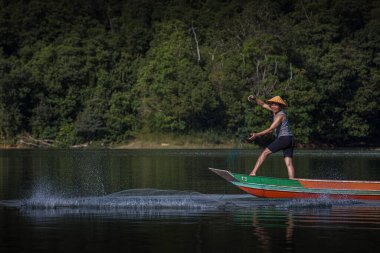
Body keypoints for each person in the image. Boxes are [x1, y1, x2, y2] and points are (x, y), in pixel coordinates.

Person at [247, 95, 295, 179]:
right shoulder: (274, 110)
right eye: (272, 104)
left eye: (276, 105)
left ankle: (253, 172)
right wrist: (255, 98)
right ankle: (292, 181)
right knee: (288, 163)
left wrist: (256, 135)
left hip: (284, 138)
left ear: (280, 106)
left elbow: (270, 129)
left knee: (265, 152)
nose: (273, 106)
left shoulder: (280, 115)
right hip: (290, 139)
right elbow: (262, 104)